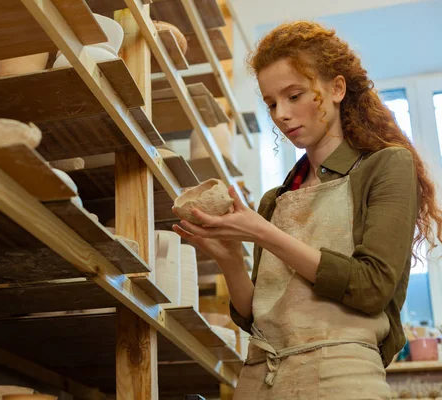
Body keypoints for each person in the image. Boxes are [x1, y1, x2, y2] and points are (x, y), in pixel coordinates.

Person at [172, 21, 442, 399]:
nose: (281, 114)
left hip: (342, 379)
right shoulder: (275, 200)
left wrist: (262, 233)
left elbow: (372, 287)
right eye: (271, 103)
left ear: (336, 88)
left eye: (294, 95)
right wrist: (230, 258)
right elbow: (256, 317)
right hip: (260, 380)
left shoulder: (385, 166)